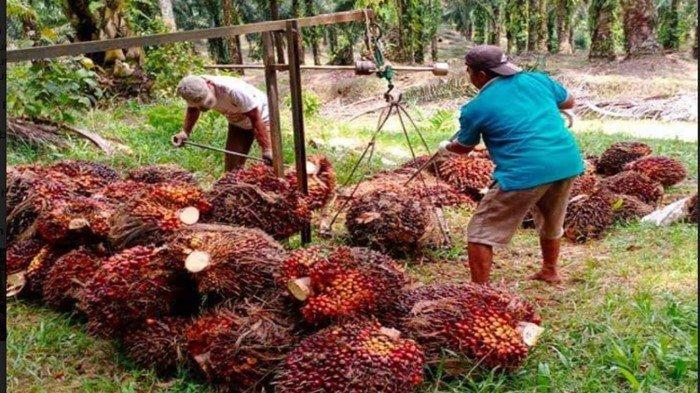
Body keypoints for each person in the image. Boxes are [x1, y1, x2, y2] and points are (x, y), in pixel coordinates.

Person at [439, 45, 584, 284]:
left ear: (481, 75)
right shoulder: (537, 80)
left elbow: (464, 148)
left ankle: (480, 292)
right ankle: (550, 270)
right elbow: (569, 102)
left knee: (480, 232)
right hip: (566, 162)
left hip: (524, 170)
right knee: (551, 219)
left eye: (469, 72)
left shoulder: (476, 107)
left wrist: (446, 146)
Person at [171, 75, 273, 170]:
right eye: (200, 106)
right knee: (232, 170)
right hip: (237, 121)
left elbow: (255, 118)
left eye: (207, 101)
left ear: (209, 84)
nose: (203, 107)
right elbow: (192, 110)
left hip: (262, 117)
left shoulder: (234, 91)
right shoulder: (191, 89)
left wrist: (267, 148)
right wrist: (185, 132)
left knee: (271, 163)